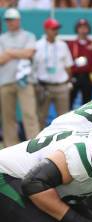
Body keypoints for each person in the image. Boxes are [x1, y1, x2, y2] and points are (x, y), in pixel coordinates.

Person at [0, 8, 39, 147]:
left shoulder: (28, 36)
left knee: (30, 114)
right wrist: (19, 52)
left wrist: (9, 52)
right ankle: (10, 147)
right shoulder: (2, 38)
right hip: (5, 81)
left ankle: (34, 145)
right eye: (8, 20)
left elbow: (29, 53)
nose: (10, 23)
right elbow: (0, 59)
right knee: (7, 117)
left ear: (18, 20)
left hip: (25, 81)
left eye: (12, 20)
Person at [33, 18, 73, 129]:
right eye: (53, 28)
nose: (56, 31)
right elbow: (33, 67)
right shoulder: (38, 45)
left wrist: (67, 82)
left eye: (57, 28)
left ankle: (63, 142)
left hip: (61, 86)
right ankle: (39, 143)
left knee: (64, 118)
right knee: (41, 117)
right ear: (46, 29)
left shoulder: (62, 45)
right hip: (43, 86)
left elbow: (68, 66)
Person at [67, 19, 92, 107]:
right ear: (77, 29)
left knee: (87, 102)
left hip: (88, 76)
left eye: (85, 27)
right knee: (70, 100)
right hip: (75, 75)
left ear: (88, 29)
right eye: (80, 27)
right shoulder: (72, 44)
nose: (83, 30)